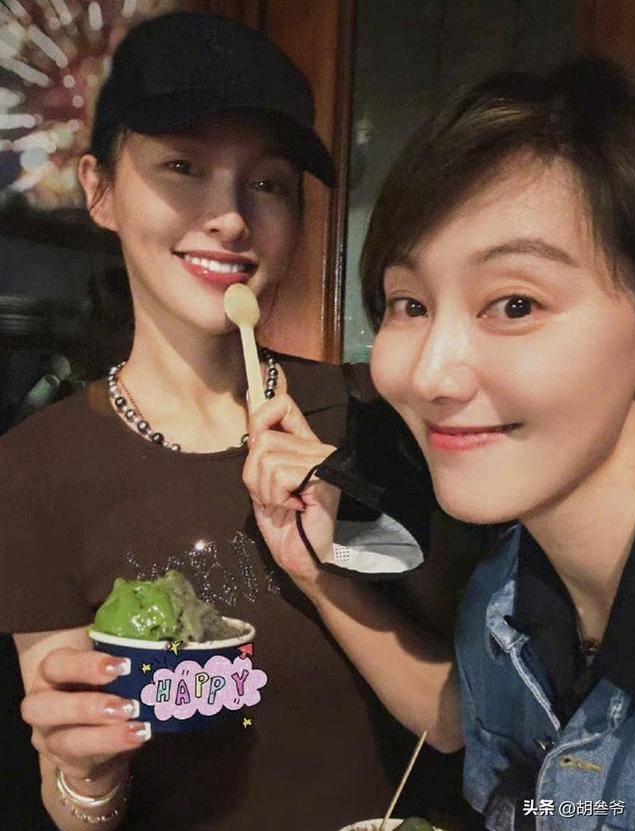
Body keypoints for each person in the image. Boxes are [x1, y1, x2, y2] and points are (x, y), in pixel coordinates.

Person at [0, 12, 472, 831]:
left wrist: (319, 572)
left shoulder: (374, 419)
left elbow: (457, 720)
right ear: (99, 189)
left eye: (269, 183)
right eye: (183, 166)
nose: (229, 217)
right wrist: (84, 771)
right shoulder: (32, 470)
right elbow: (72, 803)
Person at [246, 55, 635, 829]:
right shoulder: (505, 597)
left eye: (515, 303)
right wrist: (314, 570)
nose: (429, 375)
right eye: (409, 303)